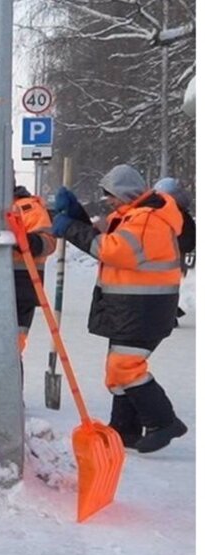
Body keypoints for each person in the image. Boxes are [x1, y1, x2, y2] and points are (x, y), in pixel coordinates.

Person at [51, 164, 187, 453]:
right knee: (117, 371)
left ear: (126, 193)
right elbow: (100, 233)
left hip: (144, 309)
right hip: (132, 308)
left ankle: (165, 422)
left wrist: (71, 229)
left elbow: (112, 250)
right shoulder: (131, 216)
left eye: (111, 195)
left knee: (125, 368)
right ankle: (124, 431)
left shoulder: (148, 220)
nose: (108, 201)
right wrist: (76, 214)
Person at [11, 185, 58, 355]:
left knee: (12, 350)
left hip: (23, 287)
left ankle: (11, 380)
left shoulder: (29, 208)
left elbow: (48, 243)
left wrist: (24, 241)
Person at [154, 177, 195, 325]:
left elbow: (188, 238)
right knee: (164, 286)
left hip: (172, 256)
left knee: (164, 286)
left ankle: (167, 313)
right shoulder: (178, 214)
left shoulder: (176, 215)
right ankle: (167, 312)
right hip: (171, 256)